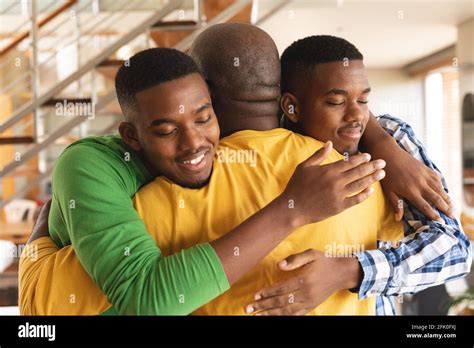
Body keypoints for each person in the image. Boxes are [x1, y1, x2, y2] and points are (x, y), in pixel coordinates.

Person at [20, 25, 464, 315]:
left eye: (201, 117)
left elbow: (456, 247)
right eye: (167, 129)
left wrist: (349, 269)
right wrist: (292, 208)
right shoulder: (115, 175)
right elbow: (146, 297)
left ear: (209, 95)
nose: (193, 143)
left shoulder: (374, 157)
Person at [245, 35, 472, 315]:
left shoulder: (390, 137)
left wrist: (348, 271)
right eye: (336, 102)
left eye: (364, 100)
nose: (356, 116)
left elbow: (455, 252)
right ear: (291, 107)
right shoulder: (261, 148)